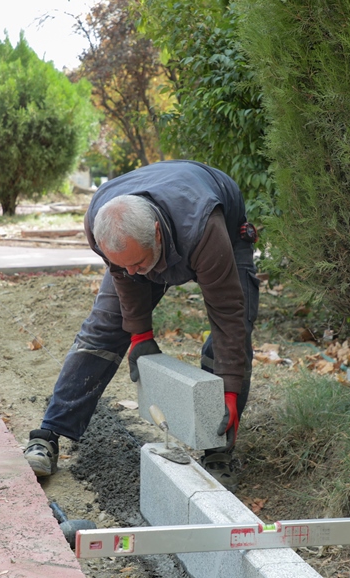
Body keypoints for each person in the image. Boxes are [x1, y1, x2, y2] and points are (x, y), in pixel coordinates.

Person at [24, 160, 260, 489]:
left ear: (157, 234)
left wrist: (230, 388)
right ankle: (48, 434)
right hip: (150, 232)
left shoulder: (204, 228)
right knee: (104, 328)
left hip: (221, 235)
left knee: (233, 337)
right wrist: (140, 333)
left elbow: (227, 312)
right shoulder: (101, 223)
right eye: (124, 265)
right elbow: (124, 274)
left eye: (138, 263)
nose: (133, 273)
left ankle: (217, 450)